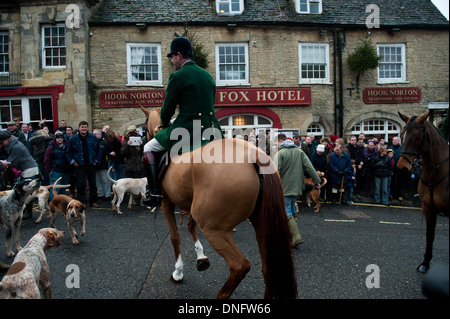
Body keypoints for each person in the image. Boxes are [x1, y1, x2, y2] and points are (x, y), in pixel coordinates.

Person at [142, 36, 222, 207]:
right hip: (212, 130)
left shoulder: (177, 77)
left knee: (148, 147)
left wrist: (164, 123)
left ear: (179, 55)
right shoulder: (208, 76)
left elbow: (168, 109)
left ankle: (155, 193)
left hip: (188, 130)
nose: (172, 61)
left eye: (172, 57)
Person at [273, 134, 321, 248]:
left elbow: (275, 172)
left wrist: (270, 186)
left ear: (281, 142)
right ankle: (289, 235)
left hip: (284, 188)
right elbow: (309, 167)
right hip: (297, 188)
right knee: (292, 208)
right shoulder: (299, 152)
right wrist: (317, 181)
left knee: (286, 211)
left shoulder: (280, 154)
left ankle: (295, 237)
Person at [0, 130, 40, 219]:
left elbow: (12, 162)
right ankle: (24, 211)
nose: (1, 144)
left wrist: (3, 164)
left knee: (26, 191)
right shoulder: (14, 144)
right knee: (24, 191)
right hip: (26, 169)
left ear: (7, 139)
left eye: (2, 142)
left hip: (29, 170)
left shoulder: (16, 147)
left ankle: (27, 212)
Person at [66, 121, 101, 208]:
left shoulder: (93, 138)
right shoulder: (73, 139)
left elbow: (99, 150)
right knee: (80, 184)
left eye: (85, 127)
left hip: (91, 164)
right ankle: (82, 202)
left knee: (93, 184)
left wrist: (96, 160)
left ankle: (93, 201)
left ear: (88, 128)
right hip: (79, 165)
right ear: (79, 128)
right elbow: (68, 152)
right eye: (82, 127)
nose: (84, 128)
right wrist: (73, 162)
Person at [44, 131, 71, 201]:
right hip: (56, 171)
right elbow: (47, 160)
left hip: (66, 171)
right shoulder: (51, 148)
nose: (60, 139)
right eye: (58, 138)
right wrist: (49, 171)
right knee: (55, 189)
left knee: (63, 188)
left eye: (61, 138)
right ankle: (52, 203)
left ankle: (62, 203)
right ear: (55, 139)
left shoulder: (67, 146)